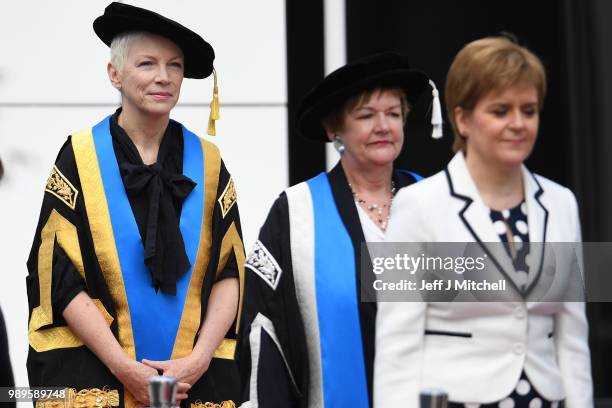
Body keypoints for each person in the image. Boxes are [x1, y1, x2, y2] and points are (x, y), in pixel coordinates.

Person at [26, 3, 244, 407]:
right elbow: (59, 276)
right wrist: (124, 368)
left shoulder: (209, 163)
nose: (163, 77)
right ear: (115, 74)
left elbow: (229, 271)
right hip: (100, 380)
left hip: (191, 384)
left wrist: (196, 361)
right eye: (147, 64)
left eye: (174, 66)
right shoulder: (80, 157)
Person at [374, 36, 593, 408]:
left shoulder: (561, 204)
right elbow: (397, 343)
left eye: (529, 110)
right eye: (501, 111)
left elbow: (572, 339)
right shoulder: (418, 205)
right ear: (462, 119)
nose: (518, 123)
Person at [237, 52, 441, 407]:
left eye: (393, 114)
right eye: (366, 116)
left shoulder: (435, 203)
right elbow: (263, 324)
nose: (383, 127)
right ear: (335, 129)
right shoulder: (298, 211)